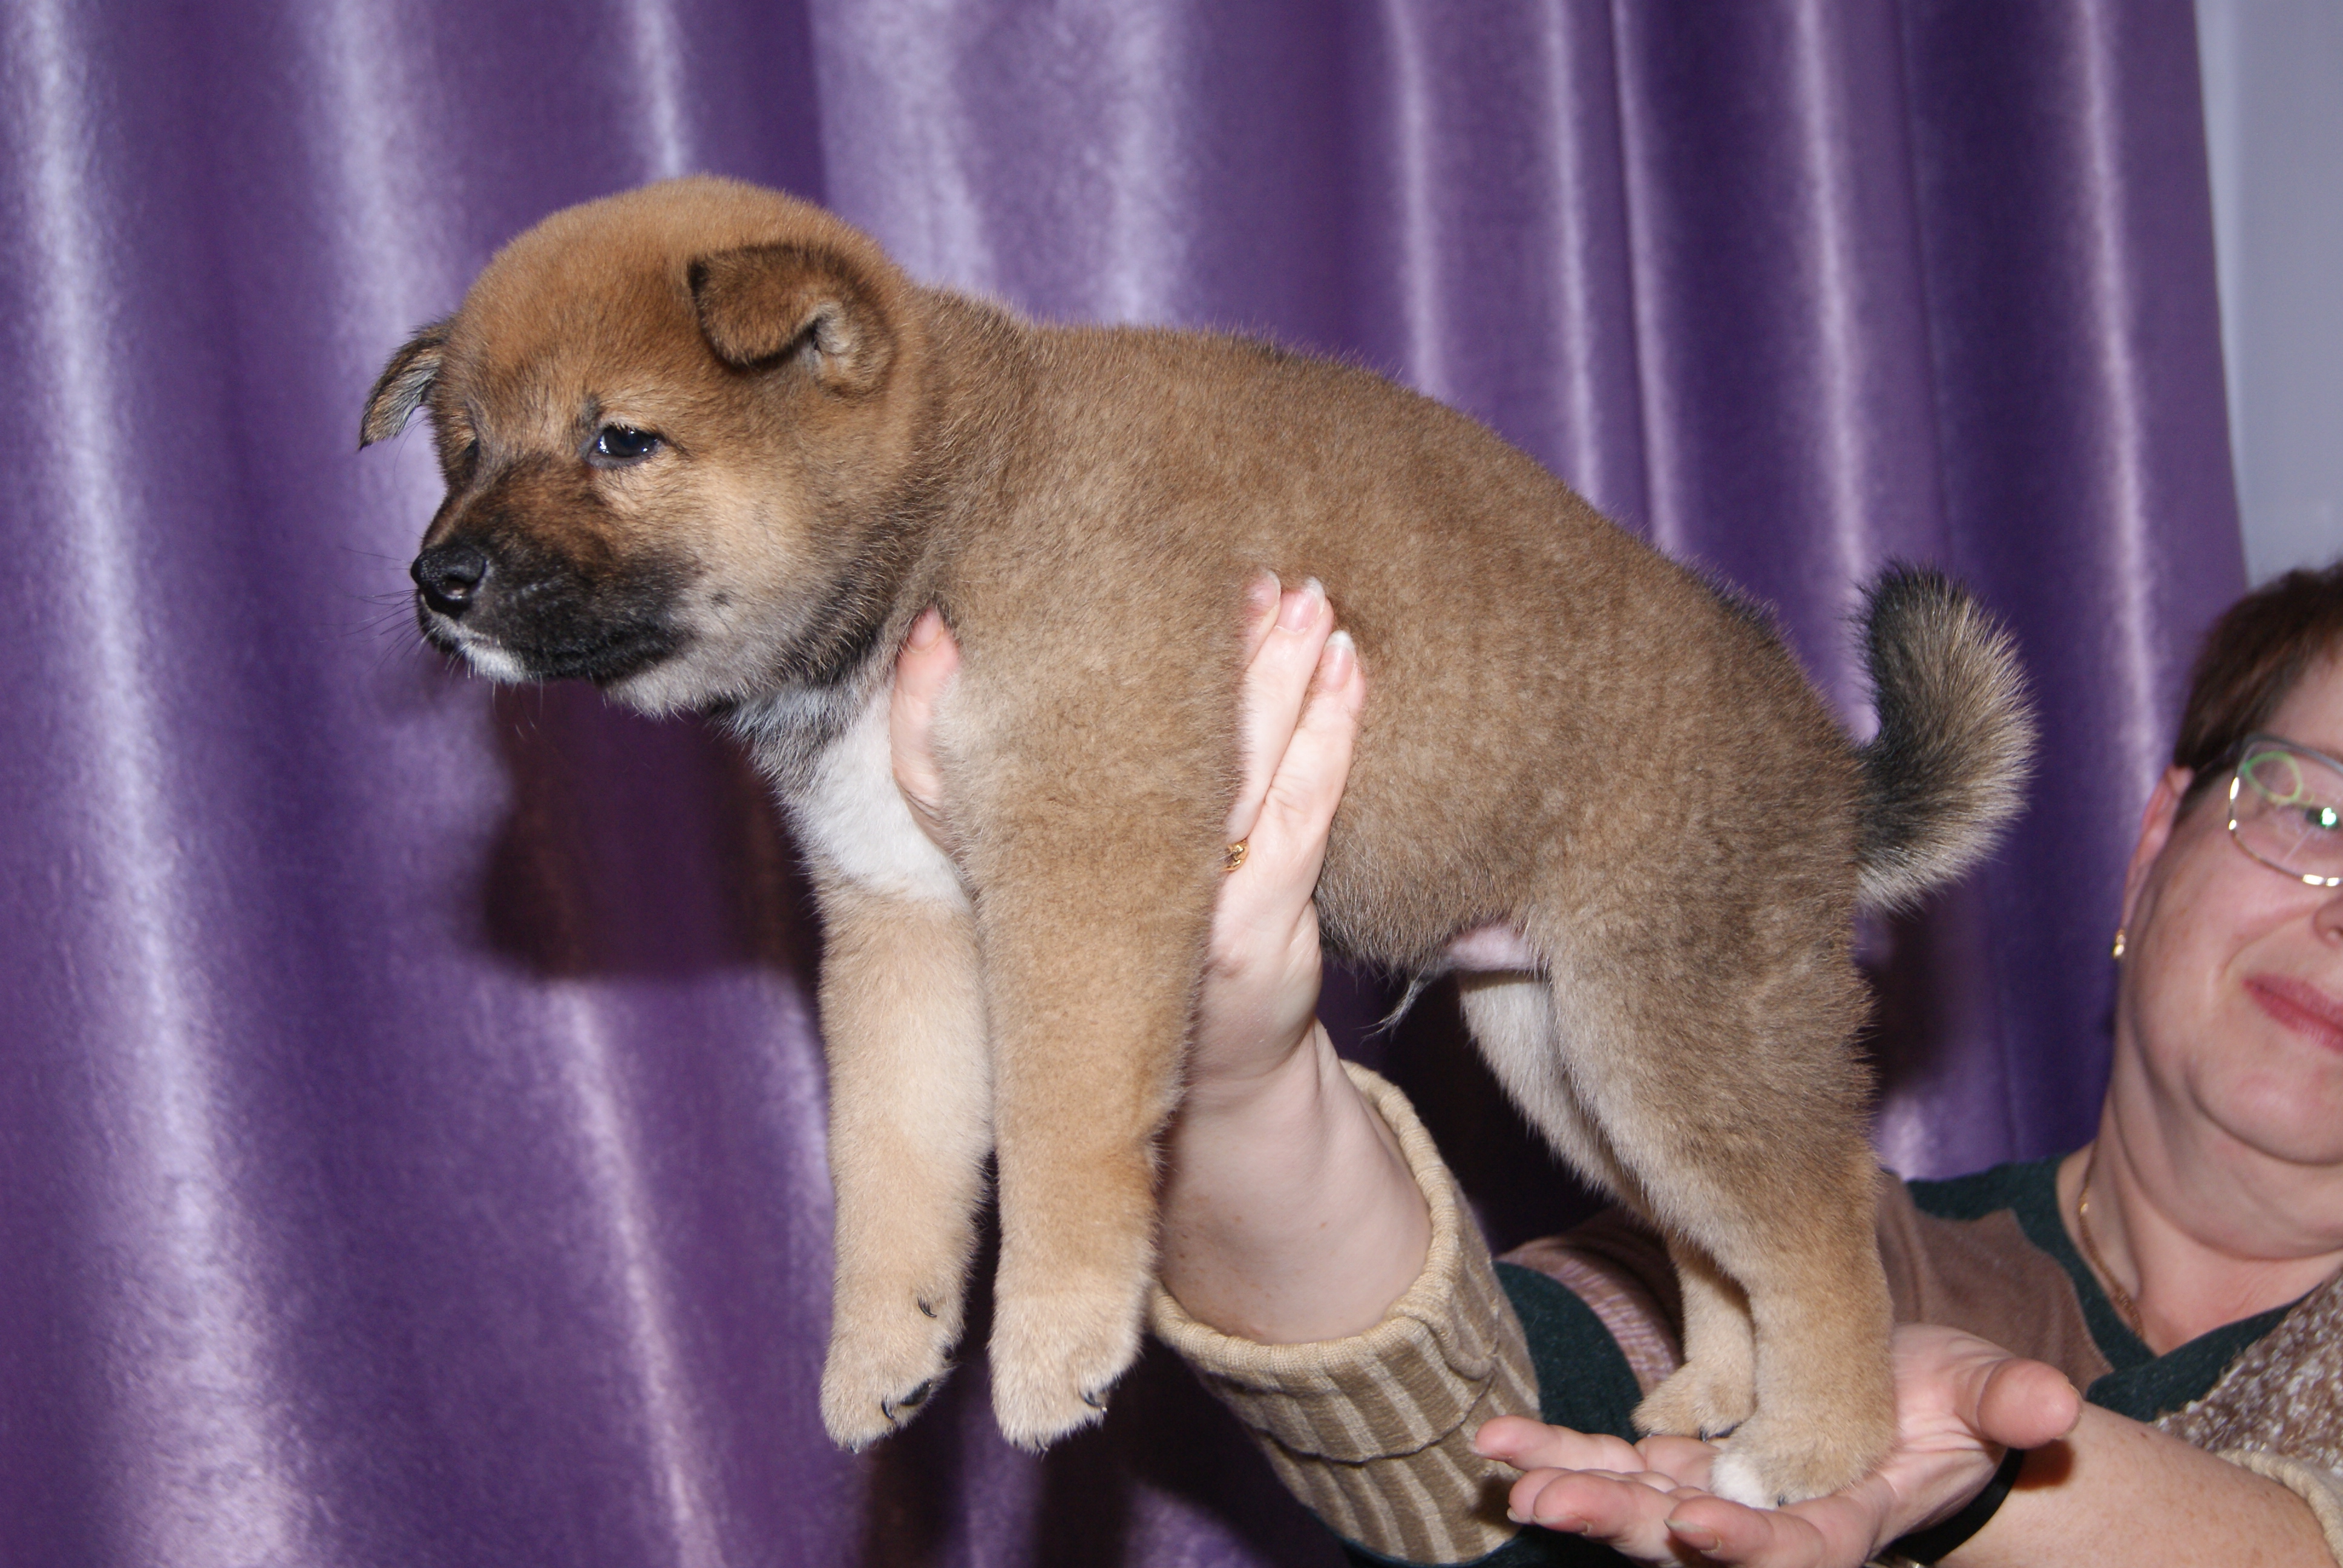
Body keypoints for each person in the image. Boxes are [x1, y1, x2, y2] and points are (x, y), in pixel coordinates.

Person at [886, 564, 2343, 1567]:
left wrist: (2004, 1493)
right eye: (2313, 812)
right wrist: (1237, 1073)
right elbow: (1453, 1431)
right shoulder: (1845, 1247)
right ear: (2155, 841)